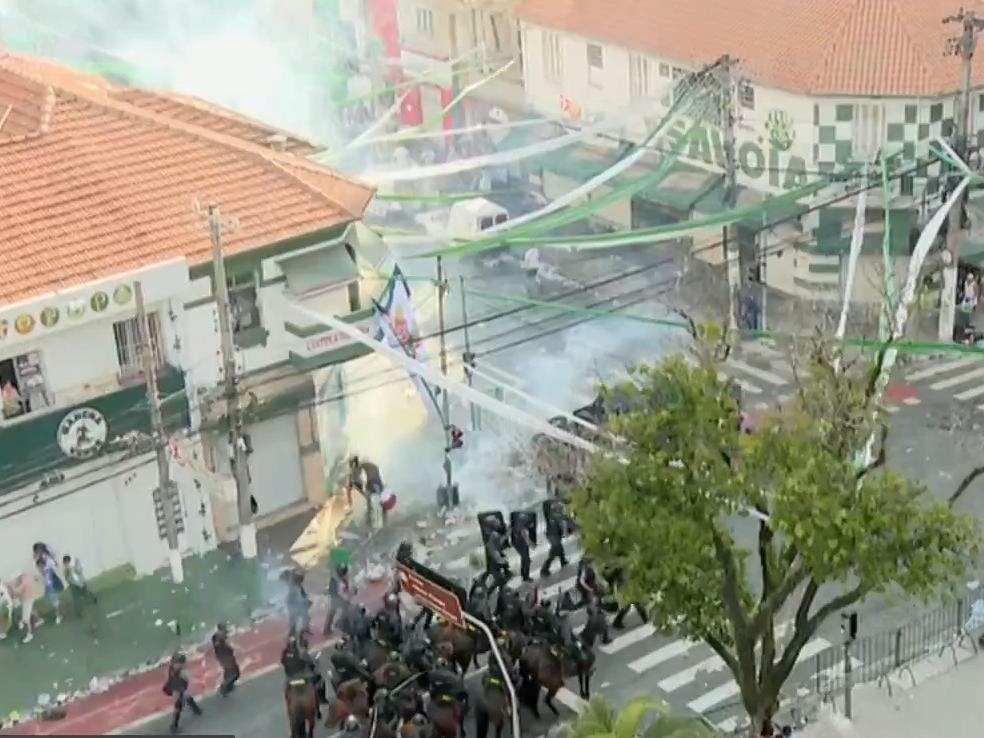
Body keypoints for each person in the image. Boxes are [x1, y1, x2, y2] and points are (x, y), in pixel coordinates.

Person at [163, 650, 202, 733]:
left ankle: (196, 709)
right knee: (178, 707)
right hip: (179, 691)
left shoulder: (172, 669)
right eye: (182, 663)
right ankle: (174, 726)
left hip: (180, 689)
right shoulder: (178, 672)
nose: (184, 664)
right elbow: (182, 681)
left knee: (187, 697)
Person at [33, 543, 66, 625]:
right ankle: (58, 612)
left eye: (38, 550)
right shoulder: (37, 559)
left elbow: (54, 562)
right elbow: (38, 569)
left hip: (51, 581)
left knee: (54, 598)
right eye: (36, 551)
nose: (37, 552)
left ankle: (58, 615)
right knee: (53, 599)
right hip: (47, 582)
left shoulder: (48, 558)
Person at [211, 623, 240, 696]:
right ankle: (224, 687)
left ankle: (228, 686)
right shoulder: (220, 639)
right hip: (227, 659)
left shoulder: (215, 637)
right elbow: (227, 648)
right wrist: (229, 648)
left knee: (228, 672)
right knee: (235, 673)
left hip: (223, 658)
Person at [540, 508, 568, 577]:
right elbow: (563, 524)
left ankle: (563, 561)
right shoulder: (557, 516)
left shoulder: (552, 516)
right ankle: (544, 570)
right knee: (554, 552)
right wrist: (565, 533)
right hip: (553, 535)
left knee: (559, 548)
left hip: (551, 535)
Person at [510, 515, 533, 583]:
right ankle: (526, 577)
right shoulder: (523, 529)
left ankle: (523, 575)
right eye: (526, 520)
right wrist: (533, 545)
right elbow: (527, 540)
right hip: (523, 546)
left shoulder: (514, 527)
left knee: (523, 560)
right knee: (527, 561)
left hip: (518, 546)